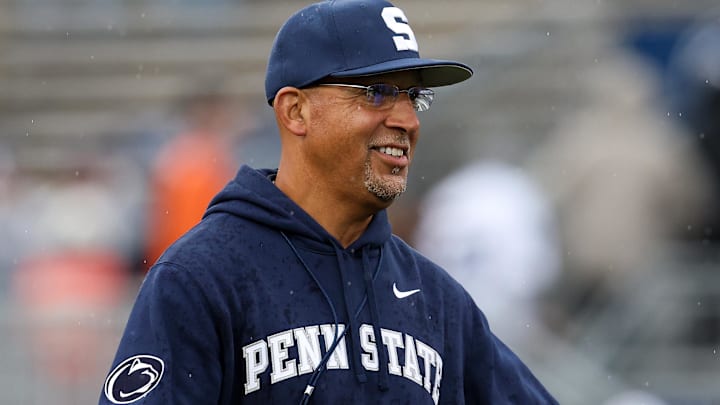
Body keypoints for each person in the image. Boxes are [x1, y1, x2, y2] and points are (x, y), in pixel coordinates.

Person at [99, 1, 557, 404]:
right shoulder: (202, 277)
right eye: (377, 93)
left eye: (413, 96)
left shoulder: (437, 299)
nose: (407, 120)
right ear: (296, 111)